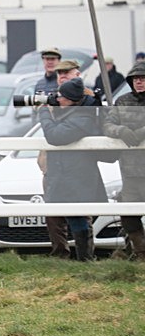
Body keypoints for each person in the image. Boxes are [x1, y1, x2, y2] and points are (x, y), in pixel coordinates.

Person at [39, 77, 106, 261]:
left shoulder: (83, 117)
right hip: (63, 173)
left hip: (77, 175)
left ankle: (85, 258)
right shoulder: (72, 112)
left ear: (72, 99)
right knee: (63, 215)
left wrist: (43, 113)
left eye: (61, 96)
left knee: (77, 217)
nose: (57, 99)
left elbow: (55, 136)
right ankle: (69, 257)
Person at [103, 62, 145, 260]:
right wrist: (121, 131)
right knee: (129, 215)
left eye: (142, 78)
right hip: (129, 170)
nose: (139, 82)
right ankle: (140, 253)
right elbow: (107, 124)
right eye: (136, 79)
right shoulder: (122, 101)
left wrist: (142, 133)